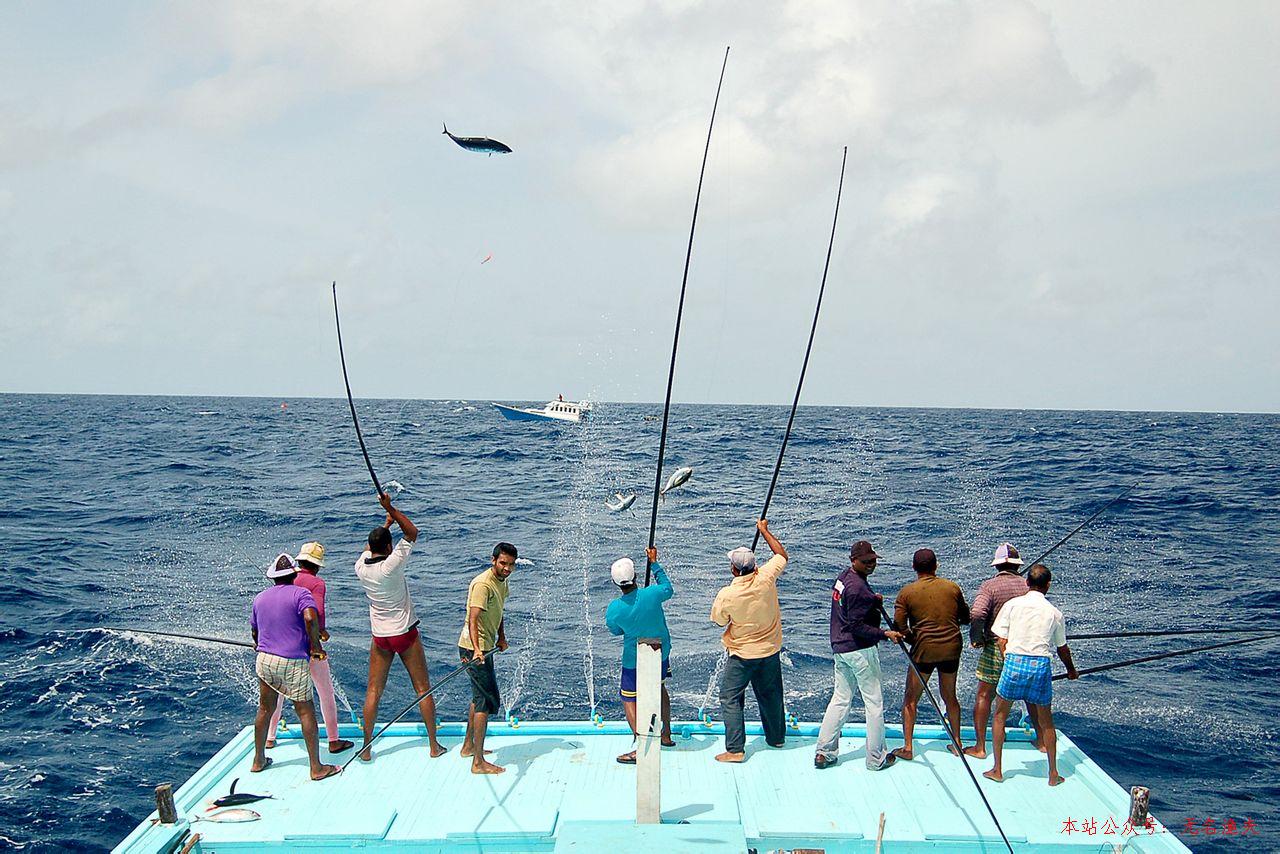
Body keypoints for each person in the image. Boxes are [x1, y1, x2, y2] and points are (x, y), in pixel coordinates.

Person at [354, 493, 445, 762]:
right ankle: (433, 746)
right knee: (422, 689)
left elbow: (373, 544)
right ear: (389, 546)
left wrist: (387, 522)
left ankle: (367, 748)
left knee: (373, 691)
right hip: (404, 633)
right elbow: (413, 532)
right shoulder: (390, 566)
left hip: (380, 637)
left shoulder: (360, 567)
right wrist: (390, 508)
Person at [984, 563, 1078, 786]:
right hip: (1040, 665)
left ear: (1027, 583)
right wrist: (1071, 670)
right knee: (1047, 722)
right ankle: (1053, 774)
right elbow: (1062, 648)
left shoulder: (1013, 605)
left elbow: (1000, 638)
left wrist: (1007, 656)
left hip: (1014, 662)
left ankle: (997, 769)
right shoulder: (1054, 613)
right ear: (1048, 585)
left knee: (999, 716)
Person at [814, 540, 905, 770]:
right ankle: (876, 758)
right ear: (853, 560)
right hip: (860, 651)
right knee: (874, 703)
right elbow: (856, 626)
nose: (871, 565)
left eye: (873, 561)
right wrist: (885, 634)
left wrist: (872, 602)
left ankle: (824, 752)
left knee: (841, 698)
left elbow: (851, 607)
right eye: (866, 562)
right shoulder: (857, 589)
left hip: (841, 647)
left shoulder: (845, 578)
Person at [250, 554, 340, 781]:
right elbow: (311, 618)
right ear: (293, 574)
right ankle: (316, 768)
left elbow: (254, 631)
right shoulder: (302, 593)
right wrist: (317, 646)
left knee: (265, 709)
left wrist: (258, 644)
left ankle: (259, 760)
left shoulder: (260, 598)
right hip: (292, 661)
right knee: (305, 711)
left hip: (264, 659)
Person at [710, 519, 789, 763]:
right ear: (755, 566)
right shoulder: (766, 577)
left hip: (742, 655)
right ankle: (776, 738)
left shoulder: (728, 594)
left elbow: (719, 621)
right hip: (770, 650)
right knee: (771, 694)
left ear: (734, 570)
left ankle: (735, 749)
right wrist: (764, 530)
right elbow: (781, 554)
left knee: (729, 696)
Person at [265, 542, 355, 754]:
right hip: (309, 647)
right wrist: (321, 633)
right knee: (325, 693)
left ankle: (270, 737)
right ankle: (333, 741)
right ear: (316, 566)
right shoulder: (316, 583)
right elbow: (316, 613)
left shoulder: (284, 580)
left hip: (282, 648)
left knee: (277, 695)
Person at [891, 548, 971, 761]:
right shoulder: (952, 587)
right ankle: (957, 743)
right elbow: (965, 617)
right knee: (950, 697)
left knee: (910, 699)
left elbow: (899, 625)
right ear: (936, 566)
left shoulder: (906, 593)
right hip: (952, 649)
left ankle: (908, 747)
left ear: (914, 568)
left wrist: (911, 639)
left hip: (923, 652)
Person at [964, 542, 1040, 759]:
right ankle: (1043, 742)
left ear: (997, 566)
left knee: (984, 694)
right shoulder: (1028, 587)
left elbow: (977, 614)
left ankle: (980, 747)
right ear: (1017, 565)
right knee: (1030, 697)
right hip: (1024, 649)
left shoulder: (989, 586)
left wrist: (976, 638)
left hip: (996, 647)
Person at [605, 546, 677, 764]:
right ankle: (666, 735)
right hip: (660, 653)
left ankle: (641, 745)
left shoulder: (614, 608)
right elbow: (667, 588)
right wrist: (654, 563)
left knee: (629, 698)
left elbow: (616, 630)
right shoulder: (652, 594)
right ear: (635, 576)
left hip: (633, 660)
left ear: (616, 584)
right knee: (660, 688)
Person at [458, 542, 517, 774]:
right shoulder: (483, 584)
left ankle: (468, 747)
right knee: (485, 701)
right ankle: (478, 762)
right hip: (473, 650)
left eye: (511, 565)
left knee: (479, 697)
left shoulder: (502, 582)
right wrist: (477, 650)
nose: (507, 568)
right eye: (503, 563)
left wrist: (501, 637)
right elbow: (473, 619)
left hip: (485, 646)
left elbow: (499, 611)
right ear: (493, 561)